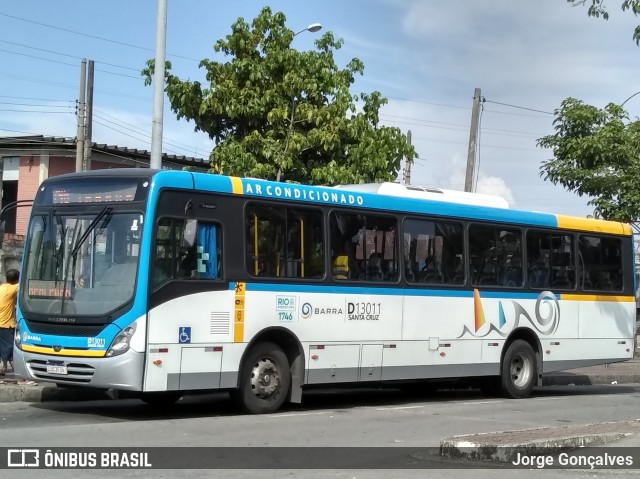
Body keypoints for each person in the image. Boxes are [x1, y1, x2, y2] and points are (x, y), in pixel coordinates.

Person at [0, 269, 19, 375]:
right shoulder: (14, 288)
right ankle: (21, 377)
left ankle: (4, 368)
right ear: (17, 279)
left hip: (1, 324)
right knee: (11, 350)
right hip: (6, 325)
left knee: (2, 348)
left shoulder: (2, 287)